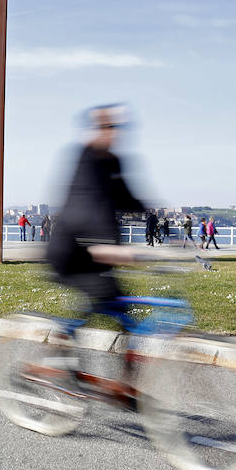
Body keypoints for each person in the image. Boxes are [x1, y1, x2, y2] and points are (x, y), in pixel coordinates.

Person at [46, 103, 147, 334]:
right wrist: (108, 245)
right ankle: (61, 353)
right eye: (108, 126)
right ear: (93, 129)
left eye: (119, 126)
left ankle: (126, 367)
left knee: (120, 308)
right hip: (71, 252)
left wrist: (172, 237)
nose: (115, 131)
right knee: (107, 296)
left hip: (95, 253)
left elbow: (128, 199)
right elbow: (86, 207)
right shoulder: (86, 160)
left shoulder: (113, 162)